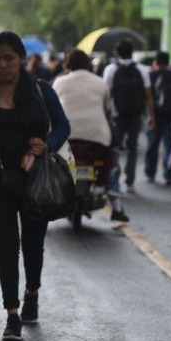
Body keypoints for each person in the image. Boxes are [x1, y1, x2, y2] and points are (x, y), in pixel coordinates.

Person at [0, 31, 71, 341]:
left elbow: (63, 125)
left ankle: (32, 292)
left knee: (33, 245)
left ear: (22, 59)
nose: (2, 65)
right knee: (7, 248)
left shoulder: (41, 90)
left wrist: (48, 144)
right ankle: (12, 314)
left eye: (8, 58)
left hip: (34, 180)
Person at [51, 49, 128, 222]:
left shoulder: (59, 82)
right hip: (97, 138)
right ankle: (102, 187)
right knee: (112, 154)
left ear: (68, 64)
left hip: (65, 137)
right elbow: (107, 108)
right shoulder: (101, 83)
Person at [102, 40, 154, 193]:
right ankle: (130, 181)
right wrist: (152, 116)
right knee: (132, 147)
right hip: (136, 114)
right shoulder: (141, 69)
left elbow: (107, 93)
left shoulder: (111, 69)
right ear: (132, 53)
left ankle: (114, 180)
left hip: (116, 116)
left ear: (117, 53)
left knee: (115, 148)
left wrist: (106, 114)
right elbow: (148, 95)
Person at [144, 51, 171, 186]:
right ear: (168, 62)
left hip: (154, 116)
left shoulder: (151, 76)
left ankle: (150, 173)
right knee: (169, 146)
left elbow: (146, 96)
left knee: (152, 146)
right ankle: (169, 175)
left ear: (156, 62)